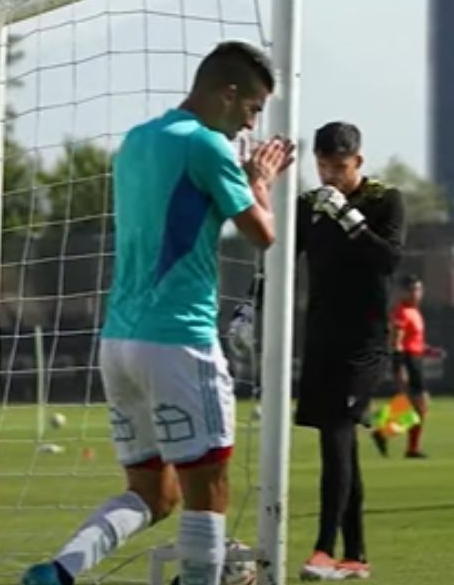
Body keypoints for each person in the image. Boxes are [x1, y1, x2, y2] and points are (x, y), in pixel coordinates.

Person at [22, 41, 294, 585]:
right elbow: (263, 234)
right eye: (254, 107)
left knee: (154, 493)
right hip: (178, 342)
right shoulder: (208, 147)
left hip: (119, 342)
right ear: (229, 92)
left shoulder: (139, 139)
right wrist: (260, 182)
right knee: (208, 490)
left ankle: (56, 573)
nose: (252, 122)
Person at [295, 121, 404, 581]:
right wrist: (250, 304)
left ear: (358, 162)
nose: (330, 176)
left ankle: (323, 549)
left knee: (337, 435)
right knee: (338, 444)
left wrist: (350, 219)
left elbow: (389, 260)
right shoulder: (308, 204)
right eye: (322, 166)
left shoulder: (385, 200)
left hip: (365, 342)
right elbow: (282, 257)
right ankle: (355, 555)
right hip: (320, 338)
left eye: (339, 167)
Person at [371, 274, 443, 459]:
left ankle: (386, 431)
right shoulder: (402, 312)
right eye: (411, 290)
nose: (415, 294)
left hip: (414, 359)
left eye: (418, 290)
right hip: (407, 361)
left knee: (417, 405)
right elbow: (397, 341)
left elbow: (414, 341)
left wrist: (428, 350)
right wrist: (399, 366)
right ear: (403, 292)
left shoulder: (414, 312)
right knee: (418, 404)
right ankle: (387, 431)